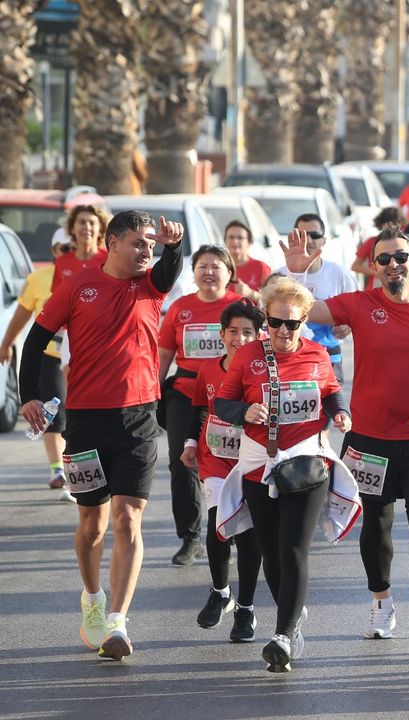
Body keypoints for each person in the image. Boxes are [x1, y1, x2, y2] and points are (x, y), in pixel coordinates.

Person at [281, 226, 409, 638]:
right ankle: (381, 603)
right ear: (374, 267)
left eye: (400, 257)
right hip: (370, 435)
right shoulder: (360, 303)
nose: (392, 265)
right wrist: (297, 274)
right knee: (377, 523)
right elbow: (304, 311)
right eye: (383, 259)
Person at [18, 210, 186, 661]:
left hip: (138, 418)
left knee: (128, 519)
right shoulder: (78, 287)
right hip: (87, 420)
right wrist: (30, 395)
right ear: (112, 243)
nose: (146, 251)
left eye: (151, 244)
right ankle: (92, 598)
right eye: (138, 243)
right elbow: (36, 340)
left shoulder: (150, 285)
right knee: (92, 525)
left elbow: (169, 269)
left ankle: (117, 621)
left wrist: (173, 247)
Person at [213, 277, 355, 673]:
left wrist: (340, 412)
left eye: (291, 324)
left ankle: (283, 635)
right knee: (271, 552)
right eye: (275, 322)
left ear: (304, 321)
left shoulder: (317, 354)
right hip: (258, 463)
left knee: (293, 548)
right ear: (266, 320)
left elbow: (331, 391)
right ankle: (291, 616)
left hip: (307, 462)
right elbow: (222, 403)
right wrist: (244, 412)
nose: (282, 331)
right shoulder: (247, 357)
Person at [180, 301, 264, 641]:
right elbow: (199, 408)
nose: (239, 339)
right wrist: (189, 442)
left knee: (247, 534)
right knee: (219, 523)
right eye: (233, 332)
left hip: (253, 458)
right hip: (215, 456)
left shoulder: (264, 372)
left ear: (259, 336)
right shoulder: (208, 370)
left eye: (247, 333)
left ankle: (246, 609)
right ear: (222, 334)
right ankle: (220, 590)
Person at [158, 246, 245, 565]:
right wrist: (152, 392)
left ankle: (231, 530)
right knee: (182, 462)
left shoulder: (241, 306)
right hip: (185, 392)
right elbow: (164, 354)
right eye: (202, 266)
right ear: (192, 273)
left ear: (229, 273)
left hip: (230, 395)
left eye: (216, 266)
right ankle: (190, 537)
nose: (208, 272)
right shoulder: (180, 308)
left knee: (232, 462)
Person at [2, 232, 74, 500]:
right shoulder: (39, 279)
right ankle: (58, 470)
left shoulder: (96, 276)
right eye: (64, 248)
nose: (69, 252)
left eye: (74, 247)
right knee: (54, 415)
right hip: (51, 356)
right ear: (54, 250)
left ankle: (81, 468)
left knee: (80, 416)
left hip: (83, 360)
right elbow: (21, 315)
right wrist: (6, 343)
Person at [275, 213, 358, 383]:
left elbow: (358, 312)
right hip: (290, 357)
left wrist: (348, 326)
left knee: (332, 401)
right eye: (303, 235)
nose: (309, 240)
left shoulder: (339, 274)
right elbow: (267, 315)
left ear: (324, 240)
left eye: (314, 235)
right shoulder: (279, 276)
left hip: (329, 356)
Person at [51, 205, 110, 292]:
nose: (87, 227)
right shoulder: (61, 262)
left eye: (92, 223)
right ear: (72, 228)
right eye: (82, 222)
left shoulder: (110, 260)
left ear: (100, 230)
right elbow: (57, 296)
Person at [352, 207, 404, 291]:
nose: (390, 227)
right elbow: (355, 266)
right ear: (381, 224)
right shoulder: (371, 241)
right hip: (375, 287)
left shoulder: (403, 243)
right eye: (387, 224)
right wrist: (375, 272)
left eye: (394, 224)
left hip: (398, 285)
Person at [223, 220, 273, 302]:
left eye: (240, 238)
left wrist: (250, 294)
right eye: (231, 237)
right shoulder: (219, 267)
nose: (235, 241)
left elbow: (272, 300)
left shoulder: (261, 267)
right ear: (225, 241)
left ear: (250, 242)